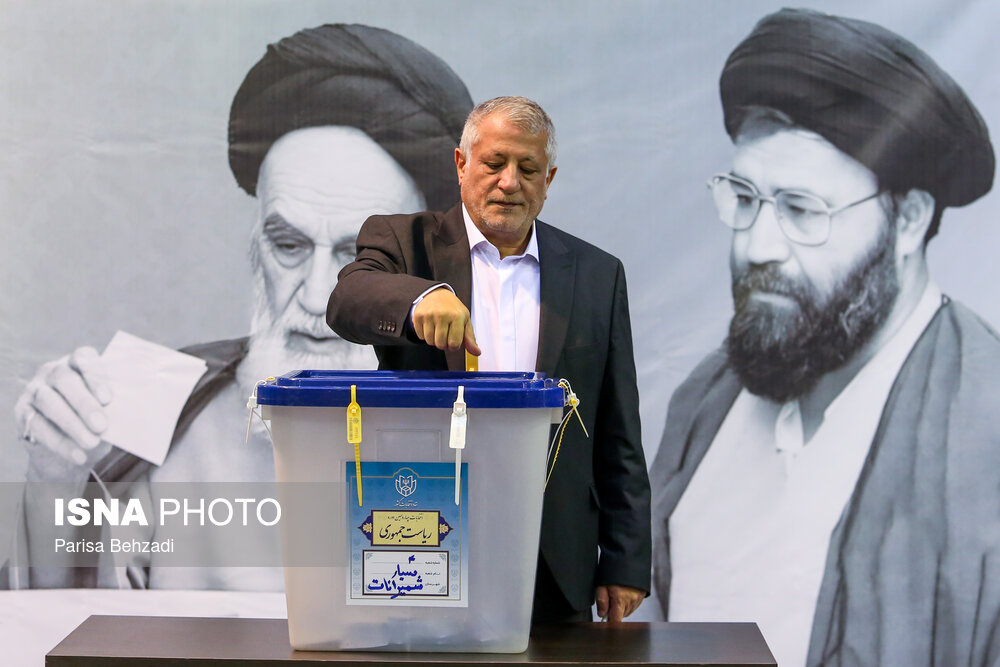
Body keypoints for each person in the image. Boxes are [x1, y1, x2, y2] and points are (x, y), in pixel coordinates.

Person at [9, 23, 472, 589]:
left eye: (361, 257)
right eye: (289, 246)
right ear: (256, 248)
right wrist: (55, 473)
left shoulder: (488, 425)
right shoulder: (155, 399)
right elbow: (56, 613)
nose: (316, 297)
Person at [649, 8, 998, 667]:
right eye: (744, 198)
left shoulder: (989, 436)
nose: (757, 245)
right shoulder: (704, 404)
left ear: (909, 220)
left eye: (802, 209)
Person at [328, 96, 651, 624]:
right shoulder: (405, 243)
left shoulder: (597, 273)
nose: (509, 182)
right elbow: (348, 299)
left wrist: (626, 560)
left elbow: (618, 429)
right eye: (494, 163)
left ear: (549, 178)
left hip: (553, 550)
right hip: (422, 531)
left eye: (528, 169)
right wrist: (418, 298)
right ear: (461, 164)